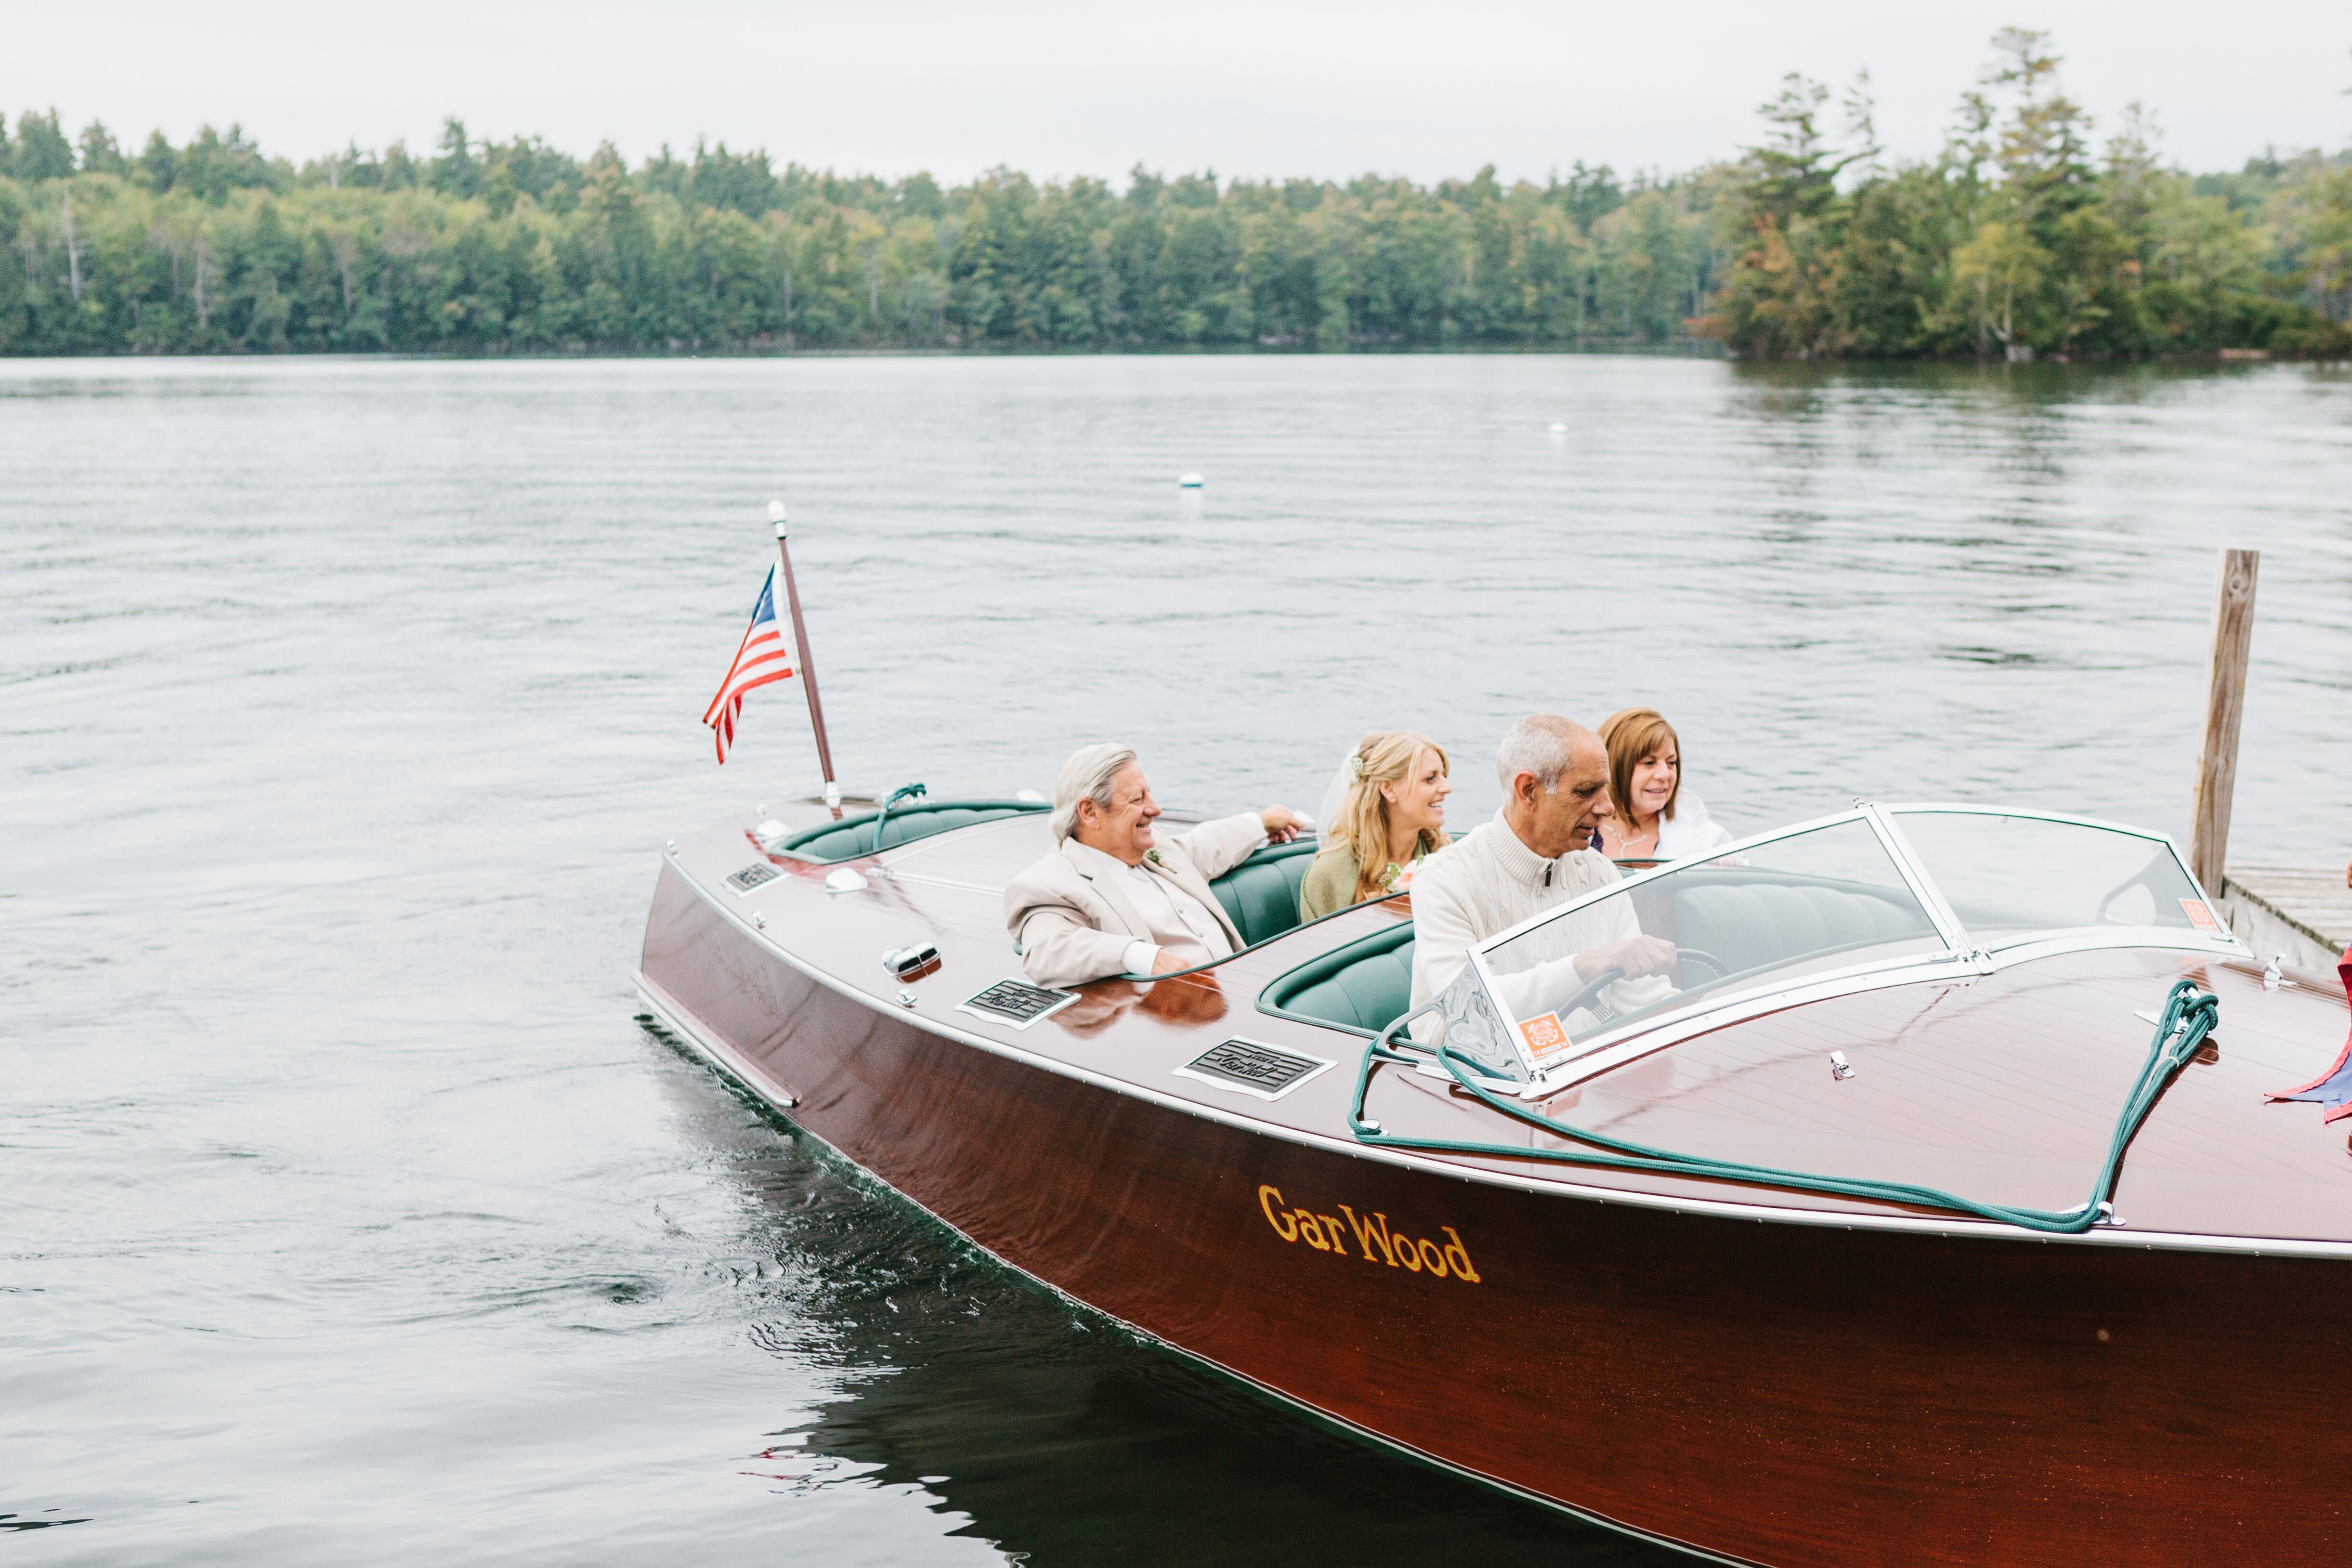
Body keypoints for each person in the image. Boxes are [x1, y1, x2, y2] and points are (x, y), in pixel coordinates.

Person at [1408, 715, 1676, 1042]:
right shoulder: (1443, 881)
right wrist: (1584, 968)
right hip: (1460, 1083)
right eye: (1586, 791)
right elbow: (1467, 1009)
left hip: (1579, 1075)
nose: (1607, 807)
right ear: (1528, 791)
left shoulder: (1600, 872)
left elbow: (1646, 999)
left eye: (1605, 788)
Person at [1004, 743, 1308, 989]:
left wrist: (1260, 822)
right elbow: (1047, 952)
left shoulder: (1151, 846)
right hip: (1183, 1019)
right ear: (1090, 812)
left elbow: (1202, 846)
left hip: (1252, 992)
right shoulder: (1049, 883)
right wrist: (1142, 956)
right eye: (1138, 799)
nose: (1155, 808)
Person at [1297, 731, 1454, 922]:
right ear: (1389, 789)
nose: (1447, 787)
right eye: (1430, 778)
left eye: (1443, 776)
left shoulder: (1444, 853)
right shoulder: (1330, 874)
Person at [1596, 707, 1735, 865]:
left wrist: (1727, 864)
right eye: (1649, 763)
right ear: (1614, 767)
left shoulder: (1706, 840)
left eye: (1671, 763)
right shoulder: (1575, 825)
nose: (1665, 775)